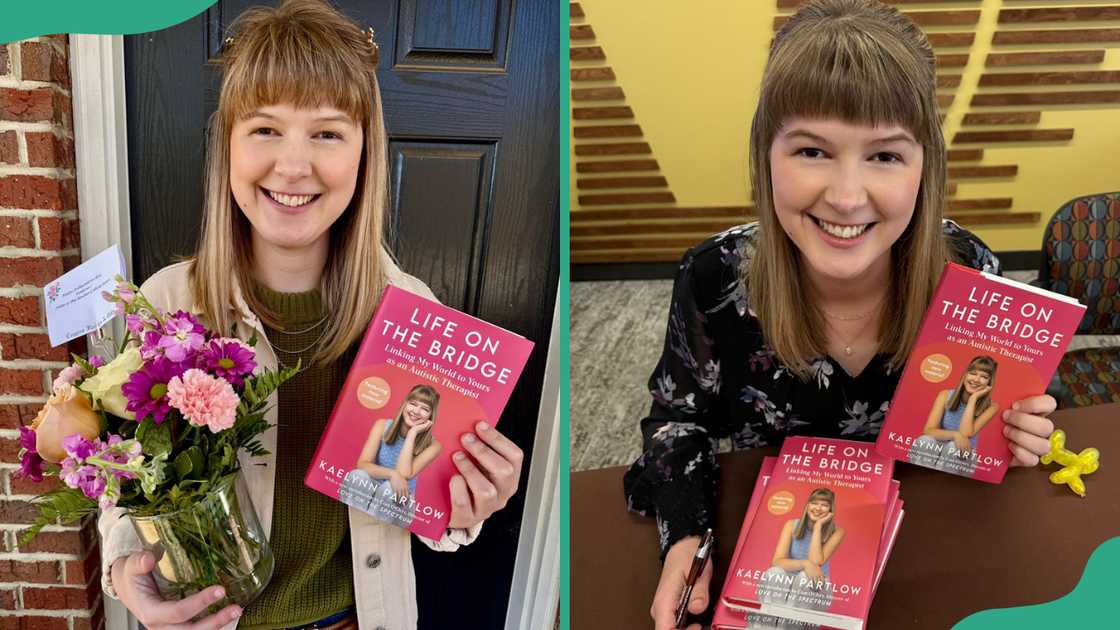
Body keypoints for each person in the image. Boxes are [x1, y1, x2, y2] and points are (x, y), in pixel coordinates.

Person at [621, 2, 1057, 629]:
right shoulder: (713, 277)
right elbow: (677, 422)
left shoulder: (968, 273)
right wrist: (686, 539)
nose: (847, 197)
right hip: (775, 562)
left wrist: (1023, 426)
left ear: (924, 166)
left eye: (884, 156)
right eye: (812, 151)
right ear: (766, 154)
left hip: (932, 556)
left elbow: (1015, 409)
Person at [96, 2, 523, 628]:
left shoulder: (412, 316)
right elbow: (118, 481)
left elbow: (420, 506)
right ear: (229, 147)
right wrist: (124, 579)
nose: (293, 166)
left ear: (363, 153)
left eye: (327, 133)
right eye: (265, 129)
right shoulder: (163, 307)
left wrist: (464, 508)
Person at [339, 384, 444, 528]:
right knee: (357, 476)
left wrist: (412, 434)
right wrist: (392, 474)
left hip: (400, 502)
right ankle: (356, 527)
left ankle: (374, 531)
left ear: (430, 416)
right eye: (413, 404)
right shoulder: (382, 425)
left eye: (425, 409)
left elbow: (404, 474)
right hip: (372, 491)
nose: (416, 411)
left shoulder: (434, 446)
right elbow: (363, 464)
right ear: (405, 404)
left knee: (389, 489)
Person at [753, 489, 843, 629]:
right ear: (807, 505)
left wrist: (818, 527)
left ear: (831, 509)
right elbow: (777, 561)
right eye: (814, 503)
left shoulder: (837, 532)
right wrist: (805, 563)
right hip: (787, 583)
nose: (818, 508)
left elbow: (816, 562)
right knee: (774, 573)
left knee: (803, 578)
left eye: (824, 505)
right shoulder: (791, 525)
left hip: (815, 586)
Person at [909, 355, 999, 475]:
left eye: (984, 377)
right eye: (973, 373)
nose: (976, 380)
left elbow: (966, 433)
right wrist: (955, 435)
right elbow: (929, 430)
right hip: (939, 447)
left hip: (963, 454)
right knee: (924, 441)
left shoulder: (992, 407)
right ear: (965, 375)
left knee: (952, 447)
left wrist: (973, 399)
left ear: (989, 382)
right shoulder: (945, 395)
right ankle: (919, 480)